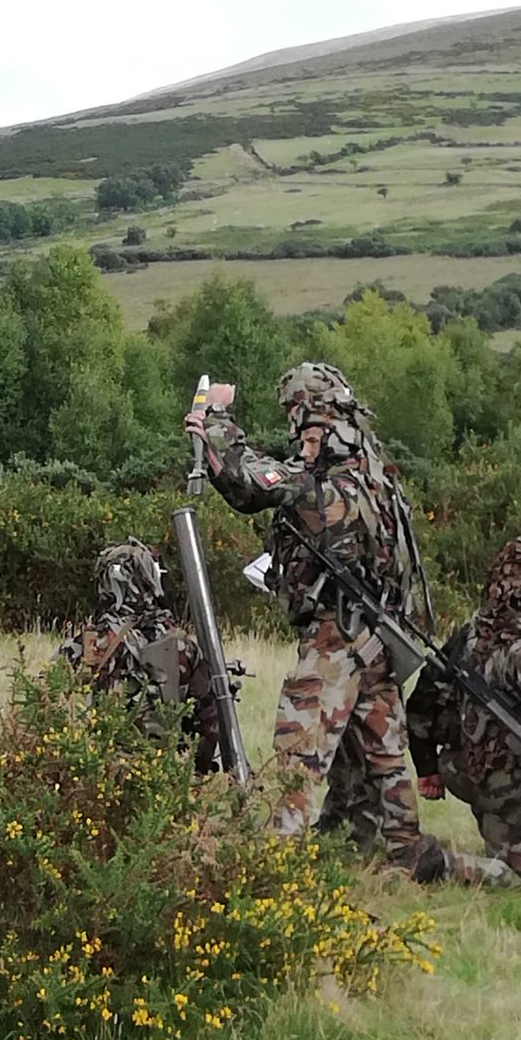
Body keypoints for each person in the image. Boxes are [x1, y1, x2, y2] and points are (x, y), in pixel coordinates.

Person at [184, 363, 443, 877]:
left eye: (301, 427)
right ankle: (399, 853)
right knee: (382, 760)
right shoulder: (376, 484)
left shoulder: (327, 490)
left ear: (321, 425)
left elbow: (252, 483)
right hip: (377, 642)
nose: (297, 440)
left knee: (297, 760)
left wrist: (214, 418)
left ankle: (273, 869)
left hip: (336, 643)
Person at [406, 540, 521, 886]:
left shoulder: (470, 631)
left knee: (511, 841)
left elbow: (422, 701)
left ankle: (509, 837)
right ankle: (447, 867)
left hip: (461, 769)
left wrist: (427, 768)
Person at [58, 537, 220, 773]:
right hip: (164, 774)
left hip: (99, 772)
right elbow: (209, 724)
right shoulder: (184, 648)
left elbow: (44, 701)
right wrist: (195, 777)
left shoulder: (86, 645)